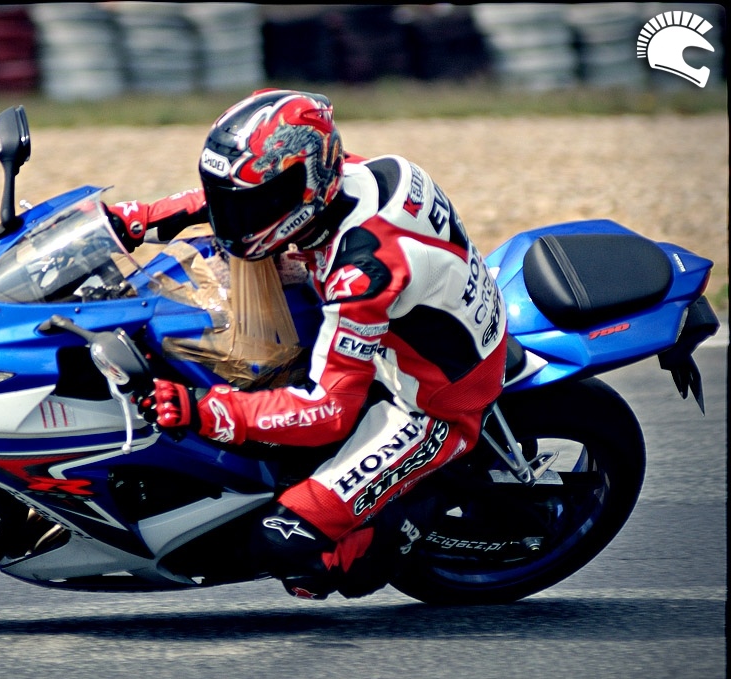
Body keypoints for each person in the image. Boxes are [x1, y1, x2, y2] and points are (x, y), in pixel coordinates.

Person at [106, 89, 507, 600]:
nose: (235, 218)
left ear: (308, 184)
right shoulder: (345, 175)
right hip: (408, 327)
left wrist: (204, 411)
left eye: (253, 205)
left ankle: (412, 511)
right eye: (234, 202)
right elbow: (240, 194)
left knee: (285, 544)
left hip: (431, 403)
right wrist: (137, 218)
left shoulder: (361, 271)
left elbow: (329, 411)